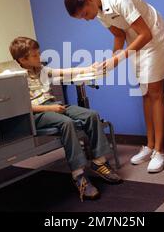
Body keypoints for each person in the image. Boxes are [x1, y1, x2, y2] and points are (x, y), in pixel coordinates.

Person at [64, 0, 164, 173]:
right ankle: (149, 146)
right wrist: (109, 61)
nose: (87, 19)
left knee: (155, 93)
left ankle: (160, 150)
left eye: (84, 14)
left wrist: (118, 59)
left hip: (153, 39)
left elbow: (146, 33)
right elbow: (119, 35)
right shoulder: (98, 11)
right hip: (135, 43)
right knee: (144, 93)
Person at [9, 36, 122, 201]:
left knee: (91, 115)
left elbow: (65, 71)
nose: (39, 57)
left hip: (54, 106)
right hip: (37, 114)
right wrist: (50, 108)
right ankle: (78, 175)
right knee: (66, 123)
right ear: (22, 60)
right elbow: (24, 107)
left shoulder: (41, 69)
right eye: (35, 55)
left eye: (38, 53)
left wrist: (89, 68)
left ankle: (99, 161)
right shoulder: (16, 78)